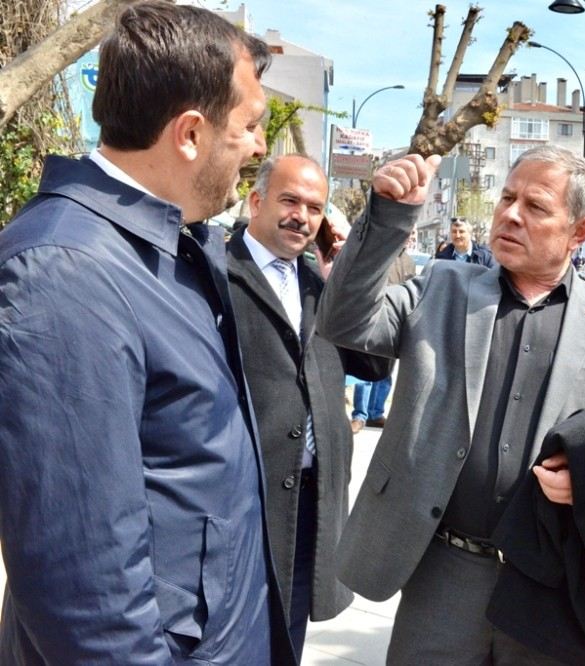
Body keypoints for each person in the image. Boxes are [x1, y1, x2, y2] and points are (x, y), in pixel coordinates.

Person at [0, 2, 296, 662]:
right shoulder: (66, 271)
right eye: (249, 126)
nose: (258, 147)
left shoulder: (168, 244)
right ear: (190, 133)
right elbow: (83, 586)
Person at [316, 144, 585, 663]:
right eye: (507, 197)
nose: (511, 214)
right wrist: (387, 215)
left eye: (536, 207)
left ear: (578, 232)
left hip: (550, 582)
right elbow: (343, 321)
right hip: (442, 572)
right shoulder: (442, 286)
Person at [226, 154, 390, 660]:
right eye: (290, 201)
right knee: (237, 635)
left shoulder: (321, 285)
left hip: (311, 499)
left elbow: (374, 366)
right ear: (256, 200)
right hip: (244, 497)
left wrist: (345, 278)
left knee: (288, 639)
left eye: (315, 208)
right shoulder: (213, 270)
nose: (302, 216)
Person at [349, 240, 416, 433]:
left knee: (385, 372)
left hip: (395, 323)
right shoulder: (380, 252)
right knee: (365, 372)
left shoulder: (408, 262)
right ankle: (359, 415)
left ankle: (376, 413)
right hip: (371, 319)